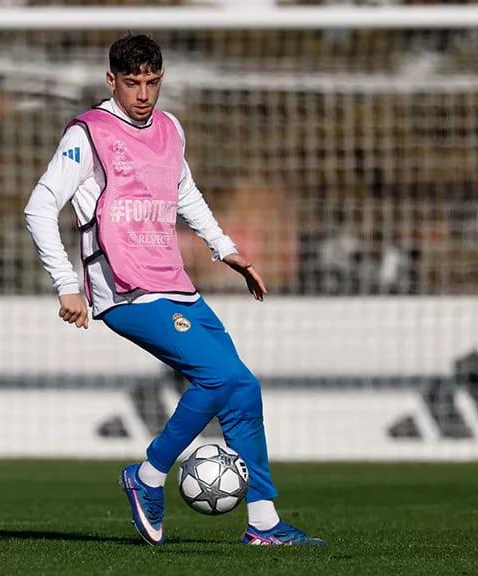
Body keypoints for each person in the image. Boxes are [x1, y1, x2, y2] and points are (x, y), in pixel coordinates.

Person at [24, 33, 324, 547]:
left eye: (152, 82)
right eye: (132, 82)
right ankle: (147, 476)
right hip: (122, 290)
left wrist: (224, 248)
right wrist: (67, 285)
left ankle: (265, 523)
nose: (143, 93)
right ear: (111, 80)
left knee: (242, 387)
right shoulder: (87, 133)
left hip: (173, 283)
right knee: (216, 375)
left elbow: (185, 192)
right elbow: (39, 207)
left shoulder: (169, 129)